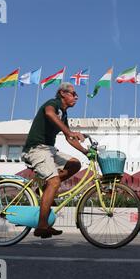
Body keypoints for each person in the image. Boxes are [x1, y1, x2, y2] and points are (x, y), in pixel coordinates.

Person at [22, 82, 88, 239]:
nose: (76, 97)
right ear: (62, 94)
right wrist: (70, 131)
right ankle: (42, 225)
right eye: (73, 93)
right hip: (36, 149)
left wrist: (87, 152)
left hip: (49, 150)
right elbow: (50, 114)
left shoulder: (63, 114)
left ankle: (45, 188)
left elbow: (69, 138)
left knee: (75, 164)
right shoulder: (53, 104)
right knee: (55, 182)